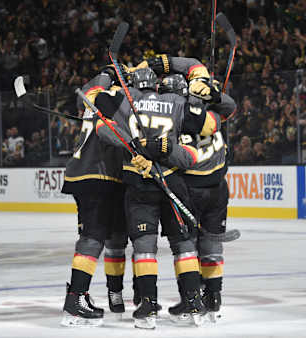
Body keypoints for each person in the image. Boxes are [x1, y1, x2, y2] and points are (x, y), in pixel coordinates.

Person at [95, 66, 223, 329]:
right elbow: (204, 134)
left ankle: (148, 307)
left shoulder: (127, 97)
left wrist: (132, 145)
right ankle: (194, 303)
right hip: (173, 180)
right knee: (184, 243)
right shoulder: (177, 101)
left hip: (139, 182)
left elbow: (100, 123)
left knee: (144, 246)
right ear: (156, 85)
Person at [160, 73, 237, 322]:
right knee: (212, 243)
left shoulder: (172, 119)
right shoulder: (211, 114)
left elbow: (173, 155)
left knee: (186, 246)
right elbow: (229, 107)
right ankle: (213, 297)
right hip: (218, 187)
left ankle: (190, 298)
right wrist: (212, 94)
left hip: (189, 187)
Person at [60, 71, 127, 327]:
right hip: (97, 175)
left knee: (107, 237)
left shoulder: (95, 95)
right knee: (93, 238)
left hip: (84, 175)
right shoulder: (122, 101)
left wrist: (105, 73)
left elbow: (93, 87)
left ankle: (83, 294)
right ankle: (74, 301)